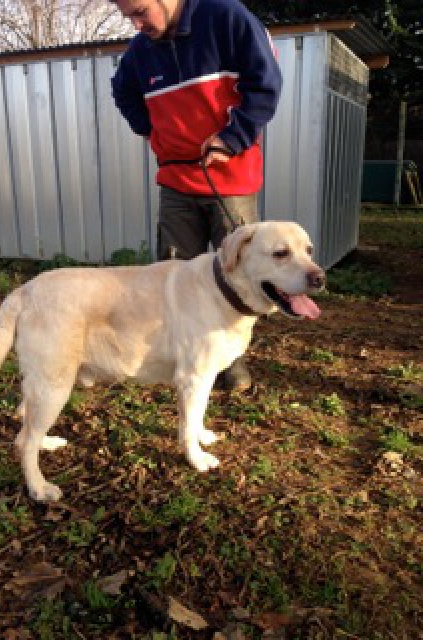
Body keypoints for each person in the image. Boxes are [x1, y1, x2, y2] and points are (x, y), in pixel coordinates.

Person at [111, 0, 282, 390]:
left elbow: (265, 84)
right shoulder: (140, 52)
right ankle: (176, 356)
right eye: (129, 17)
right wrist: (153, 133)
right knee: (173, 273)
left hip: (230, 178)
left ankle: (230, 363)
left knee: (237, 271)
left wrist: (232, 137)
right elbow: (123, 93)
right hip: (175, 180)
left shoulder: (226, 18)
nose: (138, 26)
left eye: (140, 12)